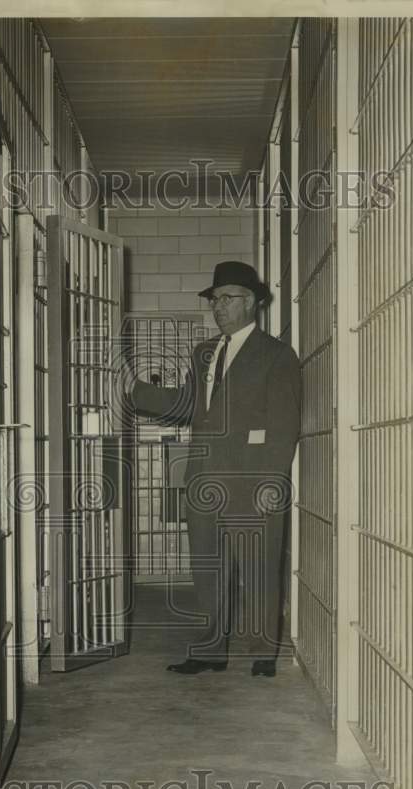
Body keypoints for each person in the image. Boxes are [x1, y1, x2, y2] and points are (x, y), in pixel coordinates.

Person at [127, 261, 301, 677]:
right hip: (204, 478)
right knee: (208, 568)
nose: (217, 308)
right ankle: (209, 651)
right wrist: (135, 390)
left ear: (253, 302)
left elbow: (284, 427)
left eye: (227, 299)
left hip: (253, 480)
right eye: (214, 300)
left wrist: (271, 483)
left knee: (258, 566)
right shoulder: (205, 351)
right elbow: (189, 406)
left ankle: (264, 652)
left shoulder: (277, 355)